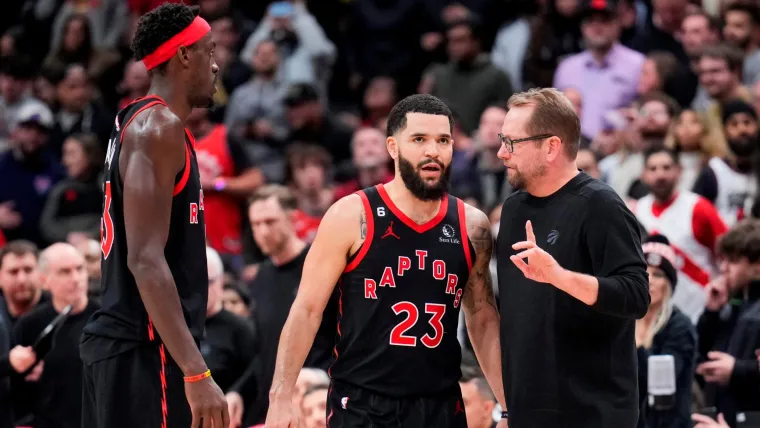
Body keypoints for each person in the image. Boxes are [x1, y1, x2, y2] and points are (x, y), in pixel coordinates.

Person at [265, 94, 506, 427]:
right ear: (392, 147)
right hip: (363, 403)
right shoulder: (351, 215)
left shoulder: (472, 225)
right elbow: (306, 310)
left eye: (443, 140)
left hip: (439, 405)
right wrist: (281, 395)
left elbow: (481, 316)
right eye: (419, 139)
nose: (432, 151)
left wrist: (506, 406)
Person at [79, 4, 229, 428]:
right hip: (144, 349)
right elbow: (144, 259)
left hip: (124, 348)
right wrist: (196, 371)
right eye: (208, 50)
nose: (216, 64)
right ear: (184, 56)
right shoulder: (158, 128)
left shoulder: (136, 121)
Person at [496, 87, 650, 428]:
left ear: (551, 147)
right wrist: (508, 409)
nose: (501, 153)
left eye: (511, 142)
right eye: (501, 140)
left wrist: (559, 276)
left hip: (590, 414)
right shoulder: (513, 209)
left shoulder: (600, 205)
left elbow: (636, 296)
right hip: (527, 412)